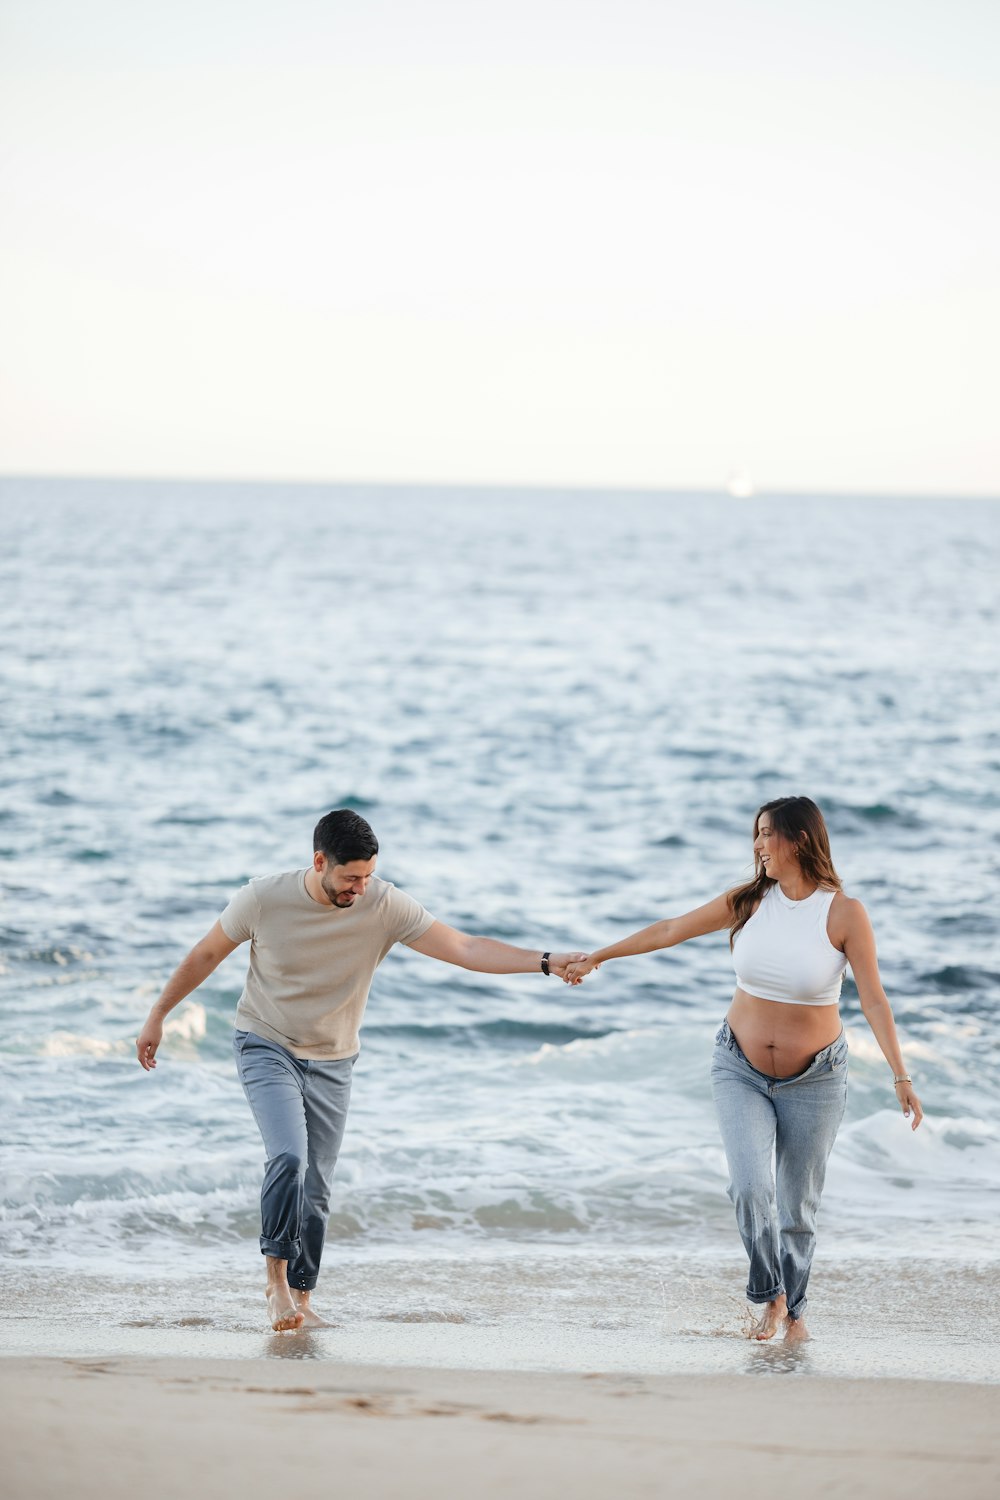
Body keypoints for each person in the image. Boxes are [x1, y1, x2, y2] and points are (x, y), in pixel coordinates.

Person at [136, 809, 584, 1332]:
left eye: (368, 876)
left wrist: (545, 960)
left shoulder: (383, 903)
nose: (361, 888)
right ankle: (275, 1284)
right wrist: (157, 1014)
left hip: (334, 1057)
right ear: (319, 861)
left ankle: (303, 1302)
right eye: (351, 877)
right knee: (288, 1156)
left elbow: (464, 948)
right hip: (265, 1042)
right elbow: (206, 953)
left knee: (318, 1186)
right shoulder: (262, 898)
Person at [564, 796, 922, 1344]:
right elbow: (669, 930)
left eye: (765, 835)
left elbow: (873, 998)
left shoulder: (844, 913)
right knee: (751, 1188)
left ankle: (796, 1313)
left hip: (816, 1078)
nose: (757, 846)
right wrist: (599, 956)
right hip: (740, 1066)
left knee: (797, 1204)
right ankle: (769, 1297)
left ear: (799, 839)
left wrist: (901, 1075)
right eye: (755, 835)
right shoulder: (750, 902)